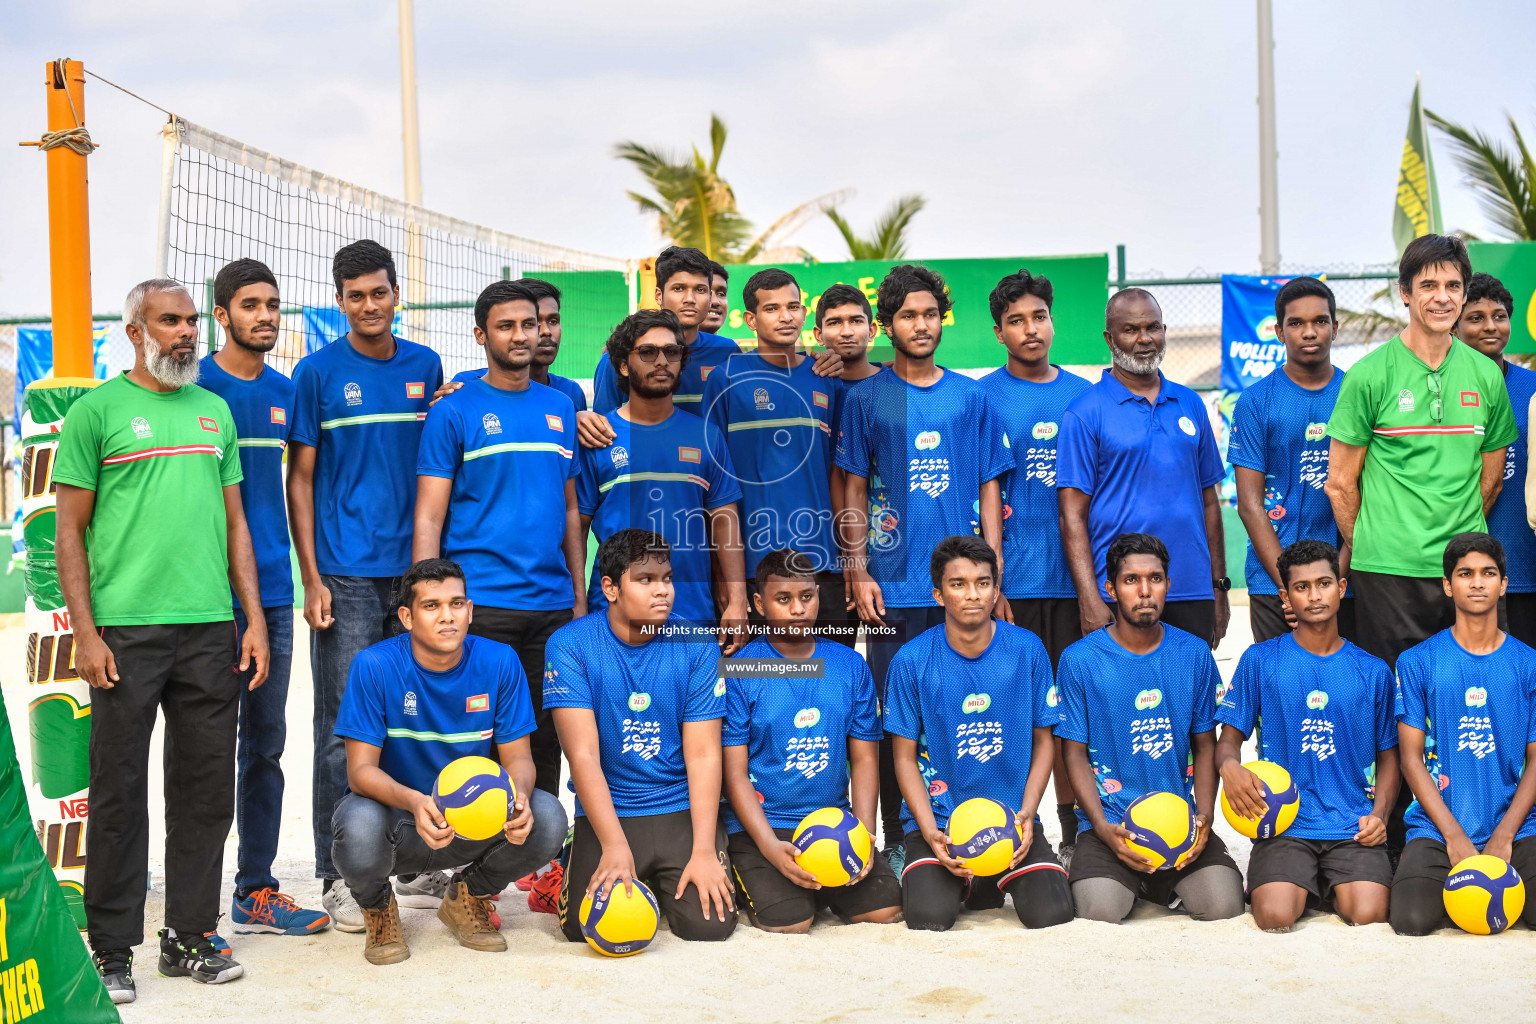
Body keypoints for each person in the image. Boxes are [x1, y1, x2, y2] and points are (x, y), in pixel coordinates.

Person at [56, 278, 267, 1000]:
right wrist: (85, 633)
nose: (185, 333)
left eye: (188, 322)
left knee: (205, 791)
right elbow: (68, 534)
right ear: (134, 332)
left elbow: (237, 524)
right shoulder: (95, 414)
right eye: (168, 321)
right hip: (125, 633)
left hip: (210, 628)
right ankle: (112, 947)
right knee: (118, 790)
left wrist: (255, 619)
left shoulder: (213, 413)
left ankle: (189, 936)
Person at [287, 239, 444, 929]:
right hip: (346, 576)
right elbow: (301, 478)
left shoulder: (426, 365)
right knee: (342, 728)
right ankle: (338, 875)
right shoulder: (317, 372)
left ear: (394, 293)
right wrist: (311, 578)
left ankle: (411, 859)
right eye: (355, 296)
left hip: (412, 574)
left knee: (414, 717)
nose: (370, 305)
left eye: (379, 292)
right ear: (340, 300)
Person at [836, 264, 1013, 870]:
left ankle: (980, 823)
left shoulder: (971, 396)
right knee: (895, 717)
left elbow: (991, 486)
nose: (920, 325)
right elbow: (854, 489)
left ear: (943, 320)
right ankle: (896, 837)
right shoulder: (867, 398)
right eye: (908, 315)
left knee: (967, 708)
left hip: (961, 586)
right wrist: (858, 569)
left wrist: (993, 574)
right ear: (887, 325)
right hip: (892, 585)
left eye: (930, 314)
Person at [331, 559, 568, 963]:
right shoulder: (375, 665)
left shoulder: (499, 661)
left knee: (547, 818)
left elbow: (519, 760)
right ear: (406, 616)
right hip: (403, 822)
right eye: (432, 606)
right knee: (356, 825)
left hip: (472, 823)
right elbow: (360, 773)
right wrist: (415, 802)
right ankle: (378, 907)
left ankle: (466, 896)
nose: (447, 617)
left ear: (470, 611)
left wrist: (521, 796)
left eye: (457, 604)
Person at [414, 281, 585, 822]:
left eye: (530, 324)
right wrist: (429, 599)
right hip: (481, 604)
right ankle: (463, 862)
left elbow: (572, 515)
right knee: (473, 738)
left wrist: (579, 597)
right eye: (507, 326)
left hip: (552, 606)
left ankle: (538, 862)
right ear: (481, 334)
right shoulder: (455, 409)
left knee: (545, 736)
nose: (521, 335)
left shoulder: (561, 406)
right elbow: (429, 515)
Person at [200, 259, 330, 938]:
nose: (266, 316)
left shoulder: (287, 391)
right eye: (251, 305)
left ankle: (256, 888)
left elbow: (299, 489)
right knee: (200, 748)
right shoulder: (191, 387)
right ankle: (188, 897)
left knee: (266, 743)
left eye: (273, 305)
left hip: (274, 596)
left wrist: (309, 579)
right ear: (221, 314)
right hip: (197, 597)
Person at [1325, 234, 1516, 671]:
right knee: (1398, 711)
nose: (1442, 298)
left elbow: (1492, 480)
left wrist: (1460, 537)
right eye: (1428, 286)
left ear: (1464, 293)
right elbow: (1339, 484)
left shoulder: (1486, 375)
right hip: (1388, 574)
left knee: (1473, 700)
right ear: (1406, 293)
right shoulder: (1368, 376)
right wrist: (1376, 543)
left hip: (1467, 570)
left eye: (1452, 286)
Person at [546, 530, 738, 944]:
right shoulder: (570, 644)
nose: (662, 591)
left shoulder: (697, 645)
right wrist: (613, 845)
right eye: (645, 580)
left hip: (678, 809)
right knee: (583, 929)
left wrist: (704, 849)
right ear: (610, 588)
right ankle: (577, 854)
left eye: (667, 578)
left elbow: (704, 754)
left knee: (710, 926)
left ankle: (676, 867)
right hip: (610, 810)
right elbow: (582, 757)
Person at [884, 535, 1074, 931]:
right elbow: (902, 758)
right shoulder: (910, 660)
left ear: (995, 589)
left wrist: (1026, 814)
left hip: (1011, 822)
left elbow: (1045, 743)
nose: (973, 595)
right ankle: (946, 875)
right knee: (928, 917)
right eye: (958, 584)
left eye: (983, 583)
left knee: (1052, 914)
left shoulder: (1028, 650)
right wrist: (930, 831)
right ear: (938, 594)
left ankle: (991, 881)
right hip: (939, 821)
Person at [1056, 533, 1244, 924]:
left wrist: (1204, 819)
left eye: (1155, 579)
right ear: (1110, 588)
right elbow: (1072, 753)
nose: (1145, 591)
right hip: (1112, 822)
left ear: (1167, 585)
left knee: (1223, 905)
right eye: (1131, 580)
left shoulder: (1193, 653)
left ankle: (1158, 883)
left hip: (1177, 821)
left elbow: (1206, 745)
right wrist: (1104, 830)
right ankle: (1126, 877)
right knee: (1100, 910)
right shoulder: (1079, 660)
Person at [1215, 539, 1398, 932]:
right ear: (1285, 595)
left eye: (1324, 583)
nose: (1314, 596)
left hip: (1352, 825)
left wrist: (1379, 816)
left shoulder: (1374, 670)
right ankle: (1300, 878)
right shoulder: (1260, 660)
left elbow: (1389, 758)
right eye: (1302, 587)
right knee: (1274, 916)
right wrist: (1229, 766)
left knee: (1369, 915)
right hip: (1284, 823)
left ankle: (1331, 880)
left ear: (1341, 587)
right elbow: (1228, 740)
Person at [721, 548, 901, 932]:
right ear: (758, 603)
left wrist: (863, 835)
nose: (798, 608)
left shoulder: (850, 665)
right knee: (791, 923)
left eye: (807, 596)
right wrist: (770, 848)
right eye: (783, 599)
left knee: (884, 910)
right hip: (765, 827)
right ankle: (751, 872)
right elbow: (733, 774)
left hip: (832, 822)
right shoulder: (740, 671)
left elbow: (866, 760)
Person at [978, 269, 1092, 857]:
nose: (1030, 329)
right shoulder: (984, 397)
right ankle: (1016, 825)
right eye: (1016, 320)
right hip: (1016, 584)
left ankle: (1075, 832)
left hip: (1077, 585)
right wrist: (994, 580)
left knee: (1071, 712)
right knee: (1016, 712)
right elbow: (989, 490)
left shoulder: (1084, 394)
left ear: (1053, 321)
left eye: (1039, 317)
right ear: (999, 332)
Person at [1058, 289, 1229, 648]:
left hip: (1190, 588)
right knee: (1121, 702)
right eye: (1131, 330)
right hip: (1121, 593)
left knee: (1190, 698)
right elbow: (1071, 516)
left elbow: (1210, 502)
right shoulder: (1085, 412)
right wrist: (1090, 596)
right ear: (1110, 338)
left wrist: (1218, 587)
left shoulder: (1190, 403)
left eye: (1153, 327)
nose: (1145, 339)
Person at [1390, 531, 1536, 935]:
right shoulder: (1417, 662)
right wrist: (1454, 837)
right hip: (1438, 827)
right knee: (1410, 920)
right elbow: (1410, 758)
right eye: (1465, 573)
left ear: (1504, 585)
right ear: (1447, 585)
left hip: (1518, 826)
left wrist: (1505, 835)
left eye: (1488, 573)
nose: (1476, 582)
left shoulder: (1529, 664)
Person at [576, 310, 748, 647]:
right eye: (647, 352)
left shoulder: (707, 435)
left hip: (692, 615)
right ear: (624, 365)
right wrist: (578, 602)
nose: (662, 361)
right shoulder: (598, 437)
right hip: (612, 616)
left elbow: (726, 521)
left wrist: (738, 599)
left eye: (672, 352)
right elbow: (576, 528)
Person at [702, 268, 852, 647]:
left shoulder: (825, 376)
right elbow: (714, 485)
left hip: (824, 564)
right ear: (751, 319)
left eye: (794, 306)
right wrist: (727, 579)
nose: (786, 317)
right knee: (763, 684)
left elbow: (841, 474)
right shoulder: (726, 378)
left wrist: (852, 560)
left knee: (828, 681)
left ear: (805, 314)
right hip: (756, 567)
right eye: (772, 309)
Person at [578, 246, 839, 448]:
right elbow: (603, 431)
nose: (690, 299)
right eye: (679, 289)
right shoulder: (619, 359)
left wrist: (821, 360)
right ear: (659, 295)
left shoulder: (727, 353)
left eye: (701, 290)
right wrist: (580, 417)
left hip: (713, 486)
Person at [1228, 277, 1353, 642]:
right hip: (1274, 582)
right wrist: (1291, 586)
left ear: (1334, 327)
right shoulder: (1255, 401)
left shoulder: (1356, 394)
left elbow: (1367, 497)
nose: (1309, 332)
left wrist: (1337, 581)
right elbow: (1250, 505)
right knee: (1278, 690)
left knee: (1347, 689)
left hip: (1347, 579)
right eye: (1296, 323)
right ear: (1279, 332)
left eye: (1320, 321)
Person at [1458, 273, 1536, 645]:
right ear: (1454, 325)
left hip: (1526, 561)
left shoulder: (1532, 389)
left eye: (1499, 316)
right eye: (1475, 317)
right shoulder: (1441, 389)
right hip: (1464, 567)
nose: (1490, 326)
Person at [435, 277, 588, 412]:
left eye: (553, 321)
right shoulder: (465, 385)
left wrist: (578, 420)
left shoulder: (570, 393)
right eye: (533, 322)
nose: (546, 331)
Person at [812, 283, 880, 385]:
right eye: (834, 323)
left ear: (871, 331)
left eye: (856, 321)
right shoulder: (807, 384)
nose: (846, 332)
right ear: (819, 335)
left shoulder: (899, 382)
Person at [703, 259, 730, 334]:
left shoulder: (730, 345)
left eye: (721, 294)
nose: (715, 302)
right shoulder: (670, 345)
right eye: (703, 291)